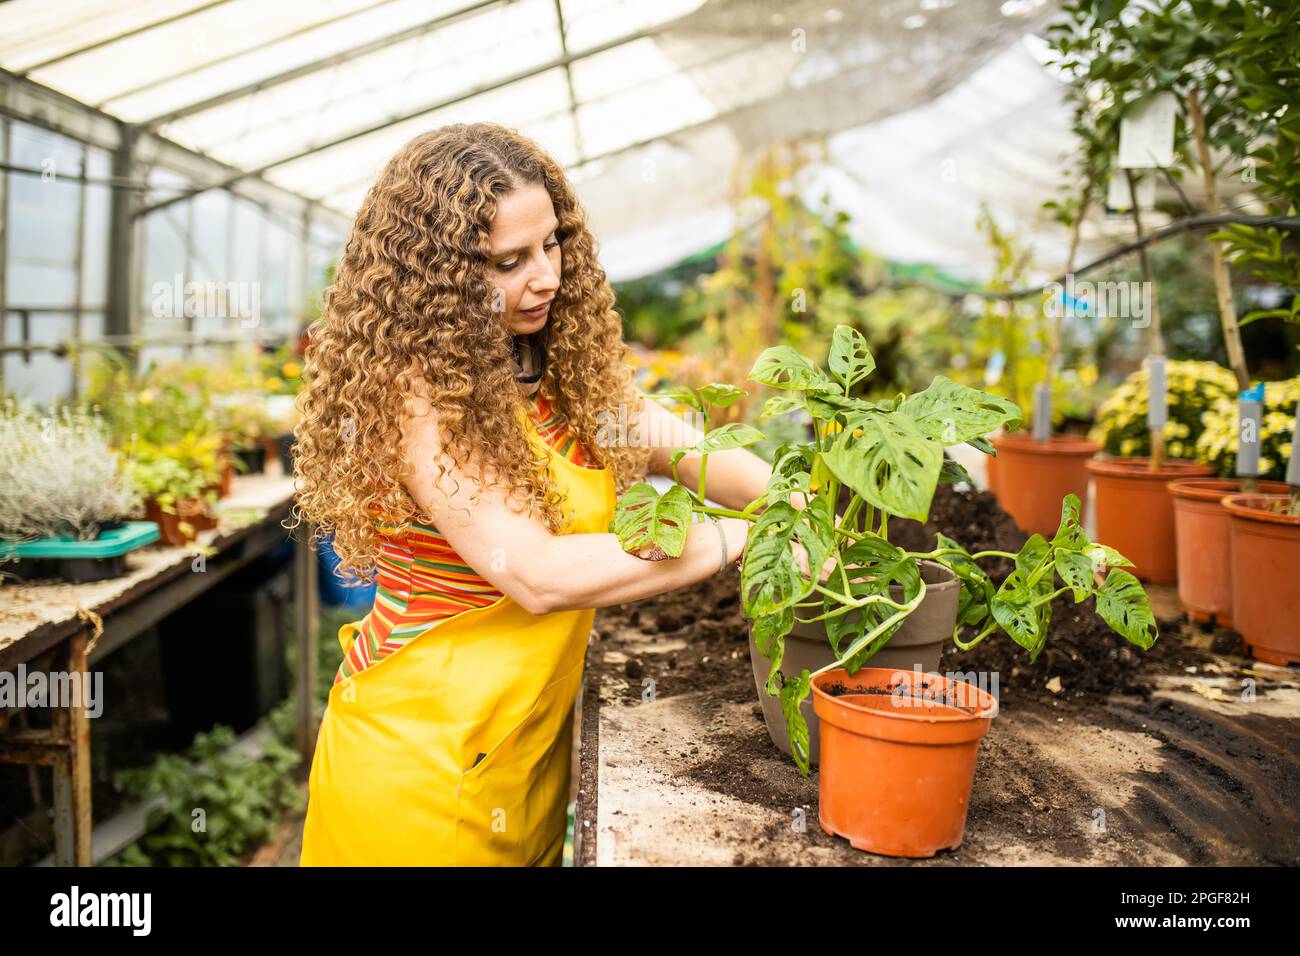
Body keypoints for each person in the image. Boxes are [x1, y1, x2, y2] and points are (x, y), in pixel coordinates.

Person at [291, 123, 778, 866]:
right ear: (437, 279)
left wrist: (797, 498)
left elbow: (689, 452)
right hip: (420, 773)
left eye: (551, 244)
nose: (546, 275)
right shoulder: (417, 397)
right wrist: (736, 541)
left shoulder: (556, 367)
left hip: (520, 755)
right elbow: (537, 573)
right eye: (508, 261)